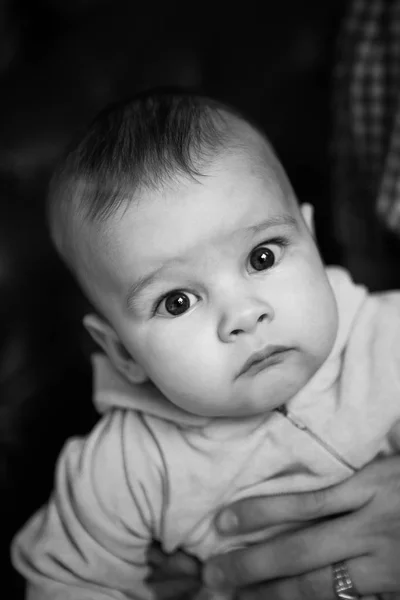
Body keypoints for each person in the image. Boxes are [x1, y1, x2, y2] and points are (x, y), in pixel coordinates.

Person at [11, 88, 400, 600]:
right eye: (177, 302)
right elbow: (65, 582)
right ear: (122, 352)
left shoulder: (388, 335)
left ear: (310, 239)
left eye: (262, 257)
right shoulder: (126, 469)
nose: (243, 315)